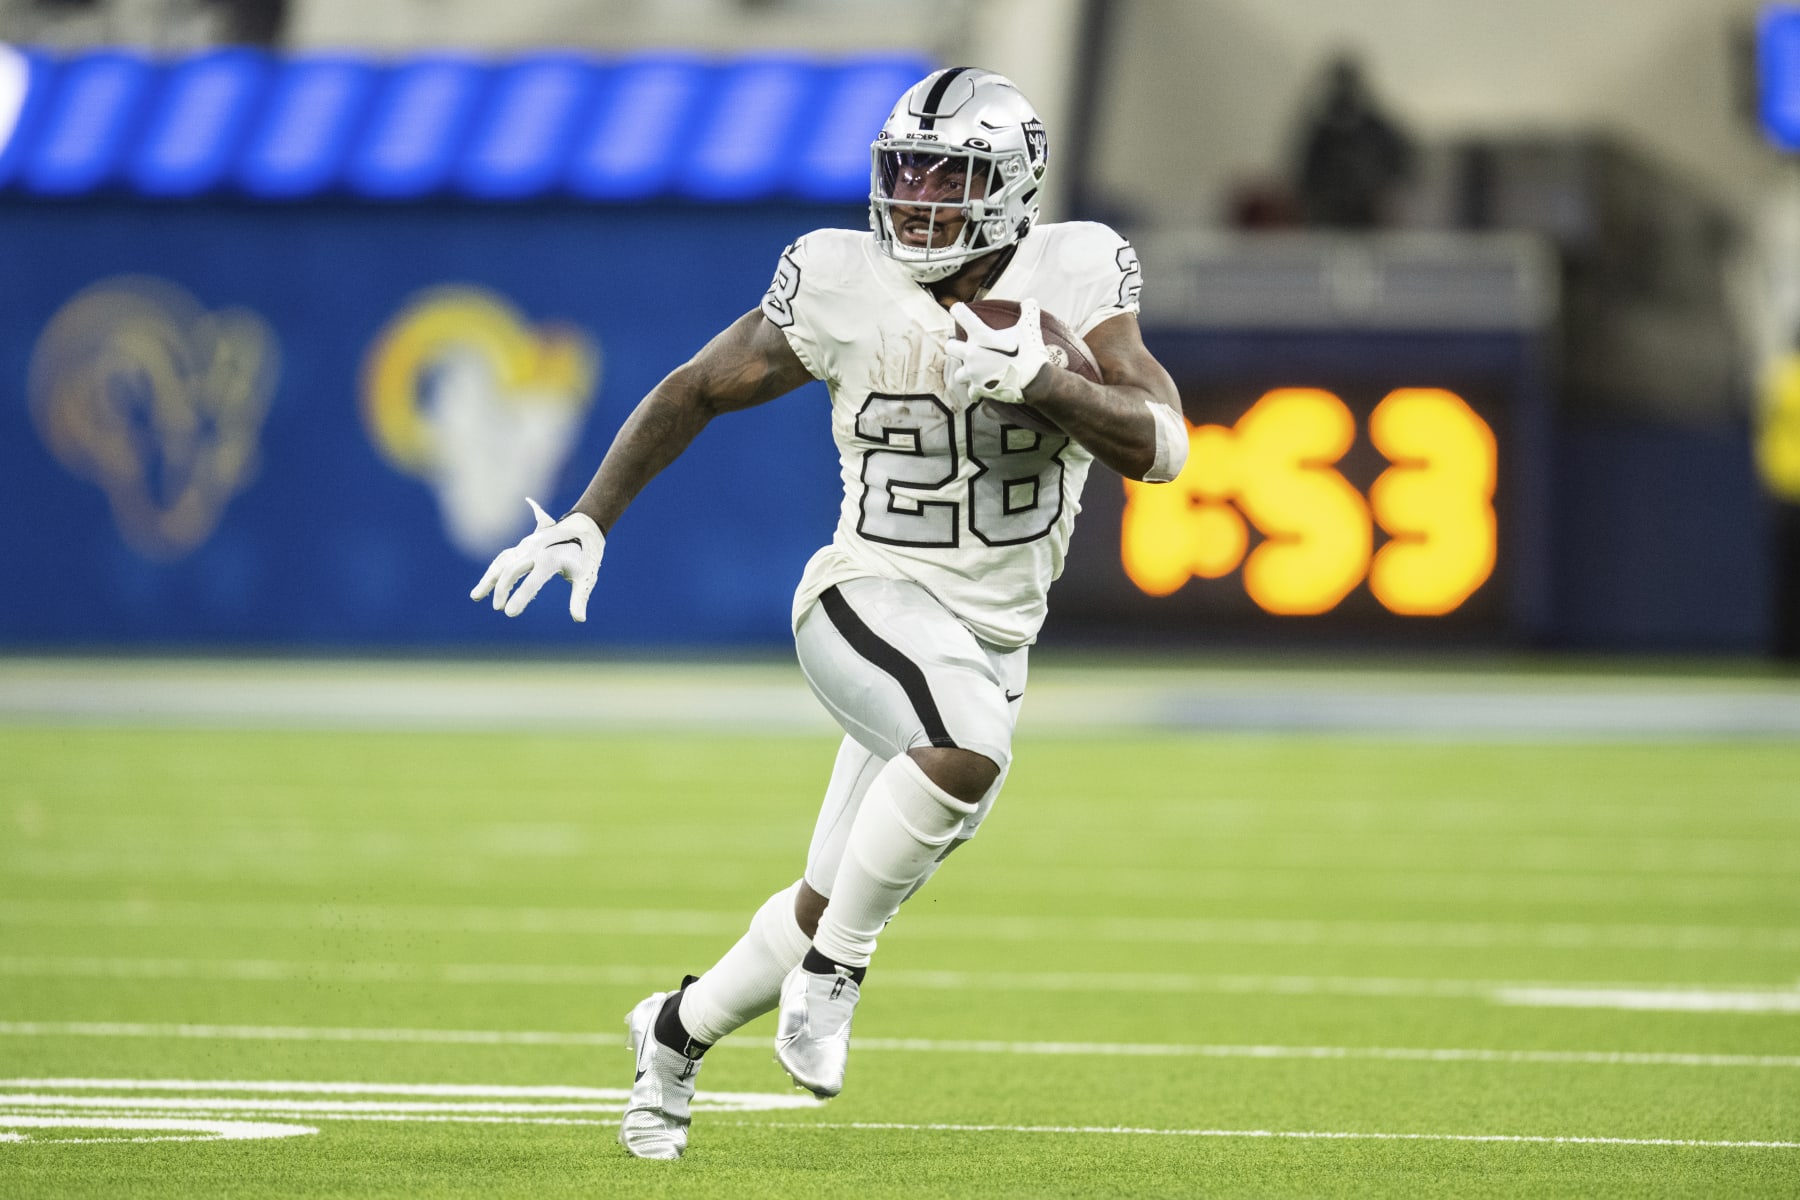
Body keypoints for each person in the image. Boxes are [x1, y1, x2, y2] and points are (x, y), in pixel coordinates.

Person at [471, 66, 1187, 1159]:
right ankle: (836, 979)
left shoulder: (1076, 270)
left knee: (833, 889)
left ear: (1012, 187)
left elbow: (1164, 447)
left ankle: (672, 1034)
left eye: (947, 177)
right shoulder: (840, 276)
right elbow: (696, 387)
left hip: (989, 640)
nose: (917, 199)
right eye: (907, 172)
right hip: (864, 595)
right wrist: (589, 519)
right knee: (960, 755)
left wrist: (1044, 379)